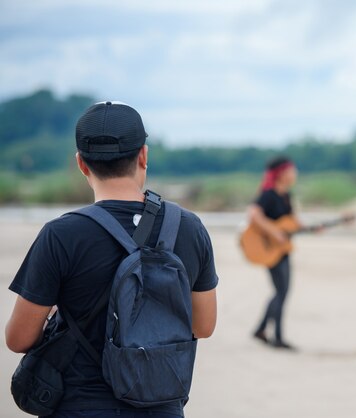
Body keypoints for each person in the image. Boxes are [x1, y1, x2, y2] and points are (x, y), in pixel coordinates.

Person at [5, 101, 218, 418]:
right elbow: (203, 326)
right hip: (161, 407)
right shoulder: (187, 227)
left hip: (80, 406)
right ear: (143, 156)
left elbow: (18, 339)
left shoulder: (62, 234)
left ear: (81, 163)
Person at [248, 156, 307, 351]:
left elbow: (291, 221)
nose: (295, 174)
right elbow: (254, 215)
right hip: (270, 249)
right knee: (281, 292)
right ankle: (277, 337)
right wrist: (274, 232)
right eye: (292, 170)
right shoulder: (269, 194)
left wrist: (314, 227)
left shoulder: (286, 196)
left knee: (281, 292)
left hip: (283, 250)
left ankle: (262, 330)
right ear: (282, 173)